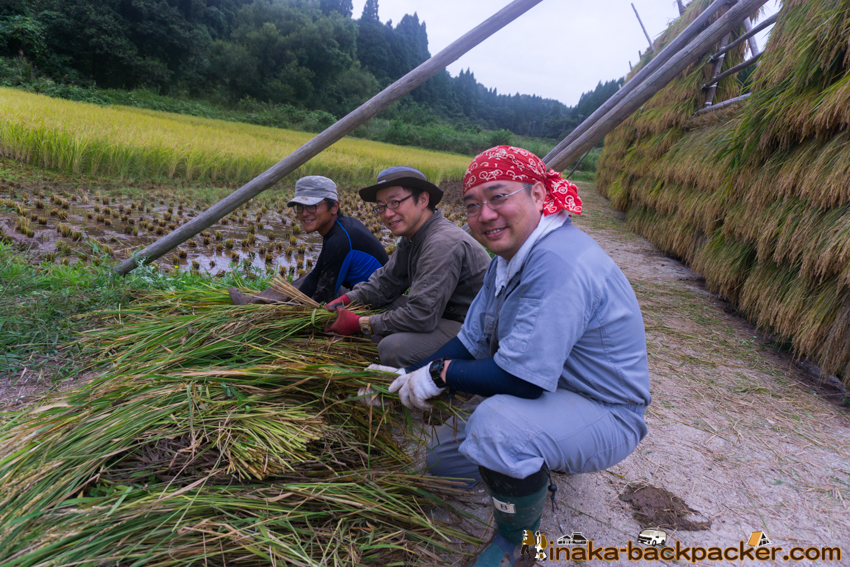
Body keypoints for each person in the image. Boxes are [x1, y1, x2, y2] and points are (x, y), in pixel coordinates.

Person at [383, 146, 652, 567]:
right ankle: (539, 466)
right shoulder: (506, 260)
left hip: (604, 411)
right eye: (472, 205)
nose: (485, 214)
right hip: (549, 396)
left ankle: (518, 543)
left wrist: (440, 374)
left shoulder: (557, 262)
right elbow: (472, 340)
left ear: (539, 196)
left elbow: (521, 380)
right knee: (443, 464)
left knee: (497, 428)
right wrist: (405, 375)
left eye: (499, 196)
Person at [323, 166, 491, 368]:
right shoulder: (412, 237)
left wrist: (361, 323)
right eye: (381, 206)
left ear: (422, 200)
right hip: (439, 314)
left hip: (470, 328)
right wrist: (347, 300)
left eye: (395, 202)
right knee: (371, 304)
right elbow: (385, 284)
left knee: (393, 349)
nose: (387, 213)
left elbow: (421, 315)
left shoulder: (441, 242)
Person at [229, 175, 388, 305]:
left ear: (333, 207)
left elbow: (322, 297)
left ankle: (262, 306)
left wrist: (287, 311)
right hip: (358, 291)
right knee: (311, 276)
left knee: (310, 291)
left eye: (312, 206)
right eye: (299, 207)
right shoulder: (341, 227)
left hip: (372, 303)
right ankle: (257, 302)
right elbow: (317, 274)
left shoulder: (340, 239)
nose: (304, 213)